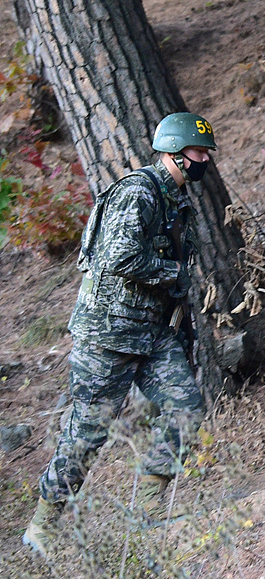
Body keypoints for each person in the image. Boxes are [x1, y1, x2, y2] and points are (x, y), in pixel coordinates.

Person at [23, 112, 216, 557]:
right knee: (87, 433)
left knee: (187, 407)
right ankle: (42, 525)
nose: (204, 158)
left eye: (205, 151)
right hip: (107, 337)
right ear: (174, 152)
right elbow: (118, 257)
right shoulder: (139, 193)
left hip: (149, 334)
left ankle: (148, 509)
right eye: (198, 151)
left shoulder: (176, 199)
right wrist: (173, 273)